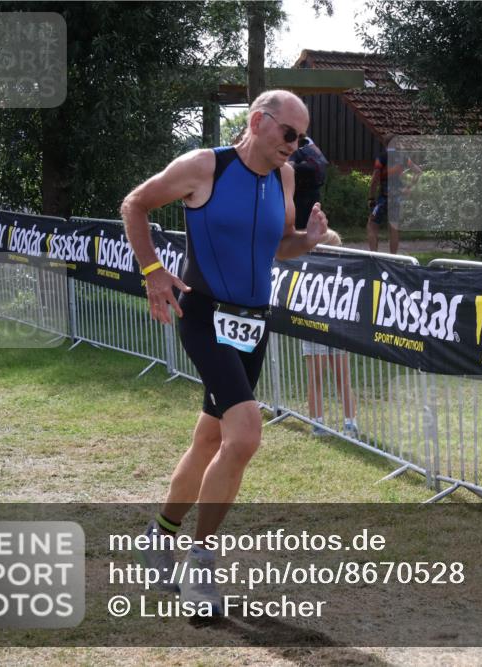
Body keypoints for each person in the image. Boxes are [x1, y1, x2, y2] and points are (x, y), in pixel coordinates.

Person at [120, 90, 328, 614]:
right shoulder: (204, 167)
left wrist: (308, 240)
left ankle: (160, 538)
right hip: (205, 314)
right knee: (245, 435)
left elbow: (276, 243)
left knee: (210, 438)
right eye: (289, 134)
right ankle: (201, 566)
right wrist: (152, 272)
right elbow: (135, 204)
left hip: (253, 322)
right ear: (259, 121)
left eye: (301, 139)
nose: (296, 147)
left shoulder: (284, 177)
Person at [303, 229, 358, 438]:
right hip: (313, 329)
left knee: (343, 377)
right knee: (316, 376)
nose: (331, 255)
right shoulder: (306, 272)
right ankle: (317, 423)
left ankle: (350, 423)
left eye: (334, 251)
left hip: (338, 331)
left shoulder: (343, 275)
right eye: (324, 250)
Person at [367, 135, 421, 254]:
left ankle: (374, 255)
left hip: (384, 197)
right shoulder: (403, 157)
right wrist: (408, 188)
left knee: (372, 224)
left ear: (384, 143)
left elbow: (375, 179)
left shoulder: (381, 157)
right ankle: (393, 257)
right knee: (394, 227)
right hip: (397, 197)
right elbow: (418, 171)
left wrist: (371, 197)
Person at [288, 136, 328, 230]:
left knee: (299, 223)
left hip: (300, 192)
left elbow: (288, 166)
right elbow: (324, 162)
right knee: (310, 219)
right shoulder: (312, 149)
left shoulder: (295, 152)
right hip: (315, 189)